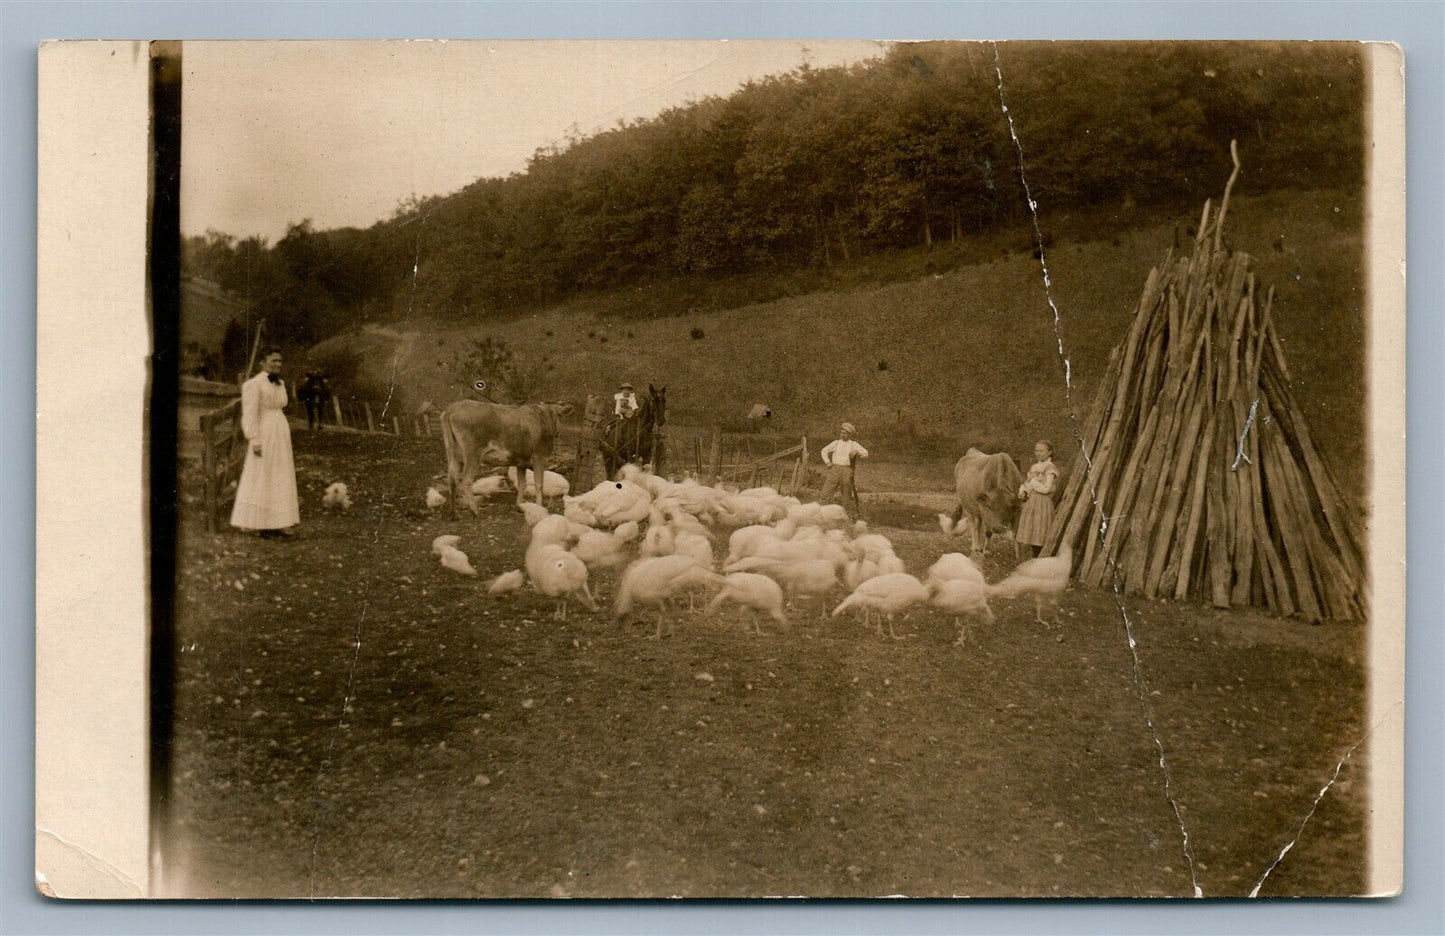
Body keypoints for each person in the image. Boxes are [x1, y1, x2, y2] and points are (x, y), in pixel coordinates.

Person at [231, 348, 300, 538]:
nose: (278, 364)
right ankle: (262, 524)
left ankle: (278, 522)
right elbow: (250, 414)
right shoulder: (253, 384)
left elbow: (281, 405)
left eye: (280, 361)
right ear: (263, 362)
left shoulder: (281, 383)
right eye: (273, 361)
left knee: (280, 475)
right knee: (263, 474)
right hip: (265, 431)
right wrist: (254, 439)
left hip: (280, 431)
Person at [1016, 440, 1060, 558]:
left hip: (1043, 503)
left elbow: (1046, 489)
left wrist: (1033, 481)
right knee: (1033, 533)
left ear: (1049, 452)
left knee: (1041, 533)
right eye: (1037, 450)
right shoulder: (1034, 467)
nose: (1038, 453)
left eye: (1042, 450)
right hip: (1032, 502)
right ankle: (1035, 559)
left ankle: (1041, 558)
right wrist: (1023, 491)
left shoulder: (1051, 468)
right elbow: (1027, 484)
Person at [819, 422, 868, 516]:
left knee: (846, 494)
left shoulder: (853, 444)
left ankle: (846, 515)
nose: (842, 435)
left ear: (850, 435)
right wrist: (828, 462)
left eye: (845, 433)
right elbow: (824, 451)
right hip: (835, 469)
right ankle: (820, 514)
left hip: (847, 470)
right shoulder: (836, 443)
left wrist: (857, 451)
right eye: (841, 433)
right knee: (826, 491)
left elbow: (866, 453)